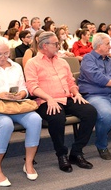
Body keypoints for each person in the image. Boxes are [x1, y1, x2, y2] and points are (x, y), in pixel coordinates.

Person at [25, 31, 97, 172]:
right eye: (55, 43)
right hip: (45, 100)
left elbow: (71, 82)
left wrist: (76, 93)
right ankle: (61, 154)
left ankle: (76, 152)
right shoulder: (32, 63)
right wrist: (48, 98)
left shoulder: (63, 62)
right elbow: (32, 87)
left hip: (67, 97)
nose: (59, 46)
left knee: (90, 112)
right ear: (45, 45)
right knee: (57, 118)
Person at [0, 36, 41, 186]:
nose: (3, 57)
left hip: (14, 105)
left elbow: (24, 88)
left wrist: (21, 94)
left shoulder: (15, 66)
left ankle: (28, 163)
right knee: (5, 123)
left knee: (35, 119)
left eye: (6, 53)